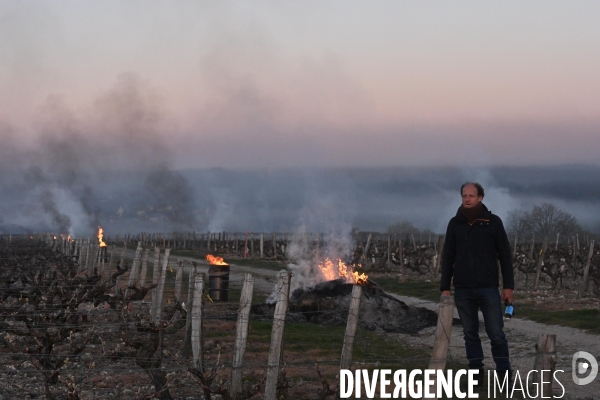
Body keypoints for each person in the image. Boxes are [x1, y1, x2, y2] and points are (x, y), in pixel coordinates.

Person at [440, 182, 514, 386]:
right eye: (464, 195)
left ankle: (504, 375)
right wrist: (445, 287)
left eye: (471, 195)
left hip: (488, 287)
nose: (467, 199)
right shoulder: (455, 224)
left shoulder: (492, 222)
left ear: (480, 197)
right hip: (463, 288)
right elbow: (448, 256)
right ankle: (475, 375)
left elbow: (505, 256)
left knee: (496, 333)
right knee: (470, 334)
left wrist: (508, 286)